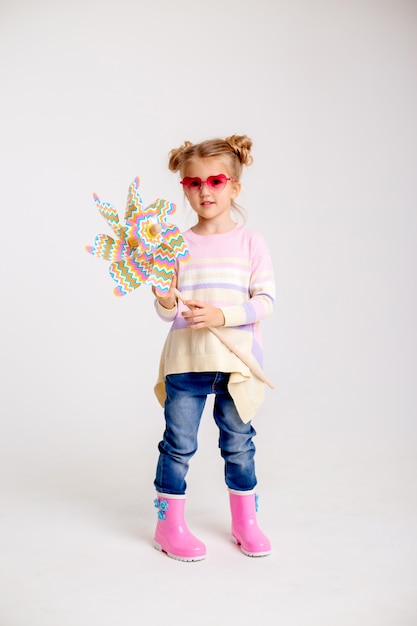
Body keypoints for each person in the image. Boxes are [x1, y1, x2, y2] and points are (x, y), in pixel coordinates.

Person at [152, 134, 275, 561]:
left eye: (216, 181)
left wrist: (222, 316)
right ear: (184, 187)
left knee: (239, 443)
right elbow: (169, 312)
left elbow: (265, 301)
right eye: (193, 183)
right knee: (178, 444)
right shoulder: (174, 244)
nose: (205, 191)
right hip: (187, 360)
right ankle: (169, 526)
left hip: (236, 362)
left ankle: (246, 522)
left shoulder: (251, 243)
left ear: (234, 187)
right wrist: (166, 298)